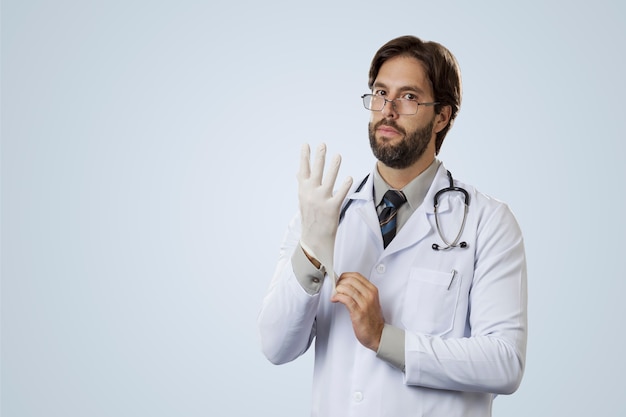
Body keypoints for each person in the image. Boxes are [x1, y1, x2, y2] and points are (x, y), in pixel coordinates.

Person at [258, 35, 527, 417]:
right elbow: (275, 346)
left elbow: (504, 363)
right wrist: (311, 252)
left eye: (409, 97)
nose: (388, 110)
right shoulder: (322, 216)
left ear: (442, 116)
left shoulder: (488, 222)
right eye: (381, 93)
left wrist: (386, 339)